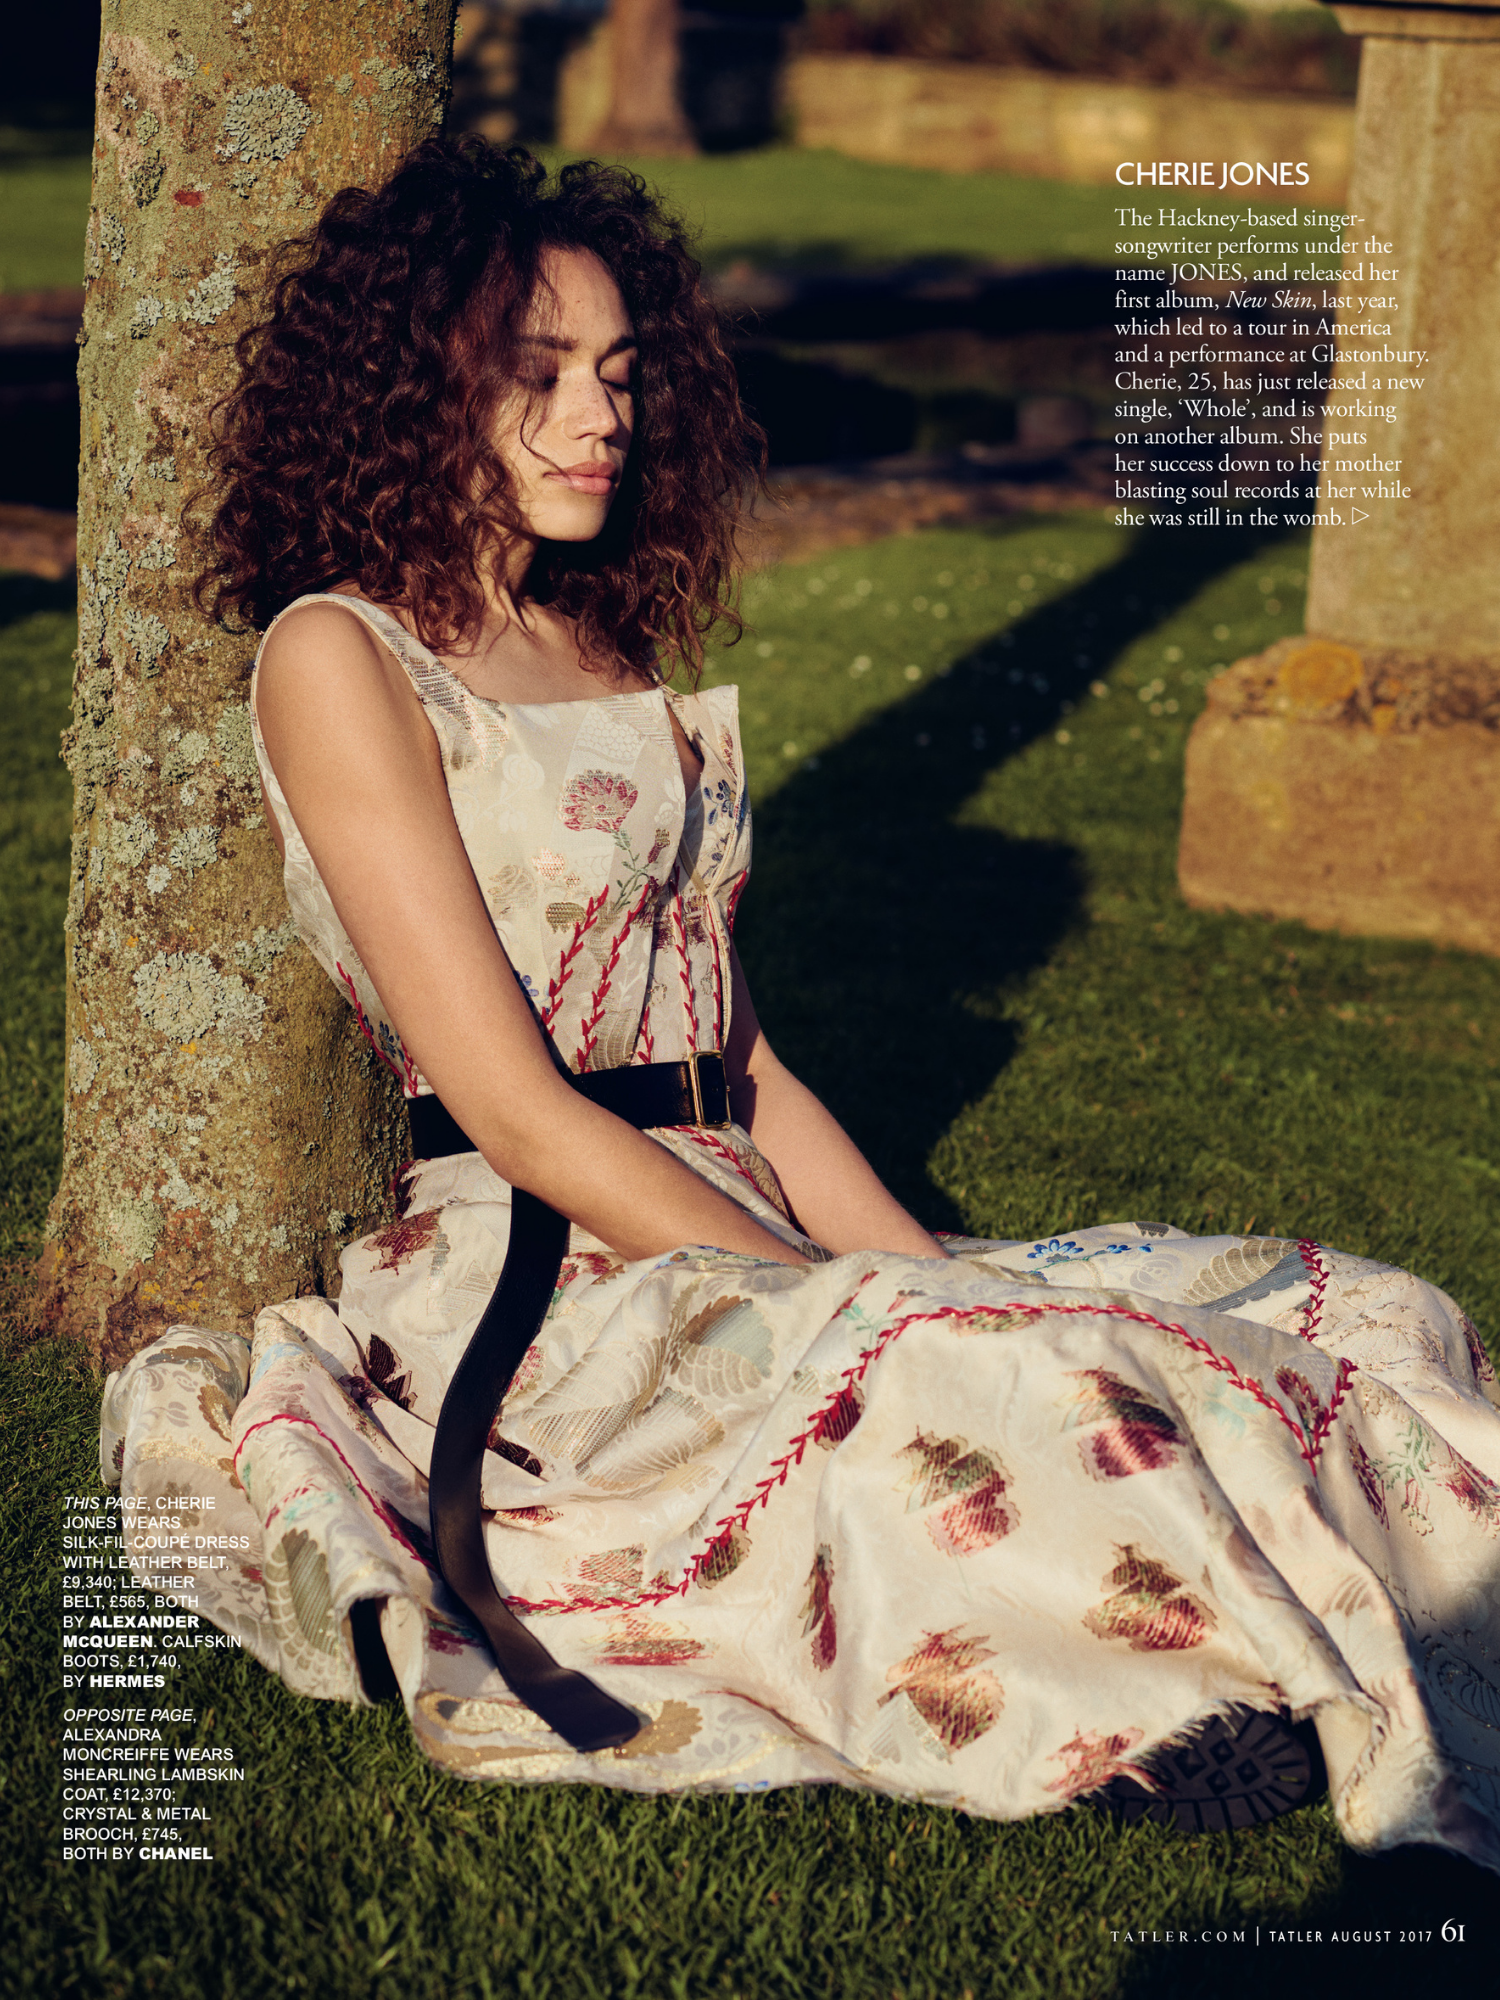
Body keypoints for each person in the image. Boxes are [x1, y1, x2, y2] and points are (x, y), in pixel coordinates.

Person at [103, 139, 1500, 1867]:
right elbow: (521, 1110)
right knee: (996, 1380)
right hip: (550, 1265)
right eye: (541, 373)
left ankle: (1256, 1624)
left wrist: (933, 1272)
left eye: (620, 373)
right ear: (415, 389)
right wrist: (826, 1289)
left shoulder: (608, 649)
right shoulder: (341, 656)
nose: (600, 417)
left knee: (1331, 1312)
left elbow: (745, 1064)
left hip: (737, 1204)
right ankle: (1146, 1704)